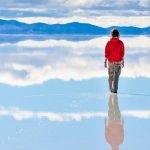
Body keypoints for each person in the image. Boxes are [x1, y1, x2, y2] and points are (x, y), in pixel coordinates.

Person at [104, 29, 125, 94]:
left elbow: (106, 53)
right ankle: (115, 90)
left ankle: (111, 89)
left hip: (110, 61)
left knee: (110, 75)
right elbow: (122, 53)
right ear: (118, 35)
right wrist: (123, 61)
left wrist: (105, 61)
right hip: (118, 61)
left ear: (111, 35)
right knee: (116, 76)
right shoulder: (121, 43)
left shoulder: (108, 43)